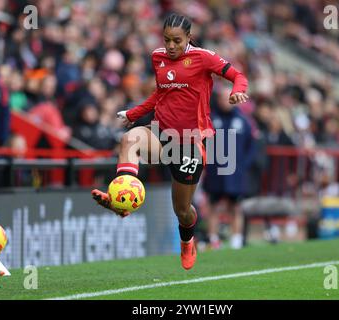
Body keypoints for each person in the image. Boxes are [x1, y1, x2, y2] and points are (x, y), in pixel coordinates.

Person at [91, 13, 248, 270]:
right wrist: (133, 114)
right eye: (167, 40)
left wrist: (237, 91)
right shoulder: (157, 57)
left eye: (177, 40)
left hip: (189, 143)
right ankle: (121, 199)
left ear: (189, 38)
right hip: (162, 134)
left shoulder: (204, 57)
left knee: (183, 210)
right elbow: (160, 94)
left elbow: (238, 76)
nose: (171, 46)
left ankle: (187, 240)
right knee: (130, 139)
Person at [202, 86, 254, 250]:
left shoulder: (243, 121)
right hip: (214, 171)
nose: (226, 101)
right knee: (214, 206)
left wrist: (242, 165)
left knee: (236, 207)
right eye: (223, 97)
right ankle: (213, 239)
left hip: (235, 173)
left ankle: (236, 240)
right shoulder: (210, 119)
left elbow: (251, 147)